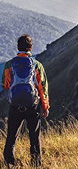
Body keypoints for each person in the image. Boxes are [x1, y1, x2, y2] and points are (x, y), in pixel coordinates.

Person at [1, 34, 49, 168]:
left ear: (18, 47)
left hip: (15, 107)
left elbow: (5, 85)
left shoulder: (10, 64)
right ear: (31, 48)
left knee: (11, 136)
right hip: (32, 107)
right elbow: (42, 88)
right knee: (34, 137)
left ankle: (9, 164)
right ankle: (35, 165)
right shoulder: (37, 65)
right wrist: (45, 107)